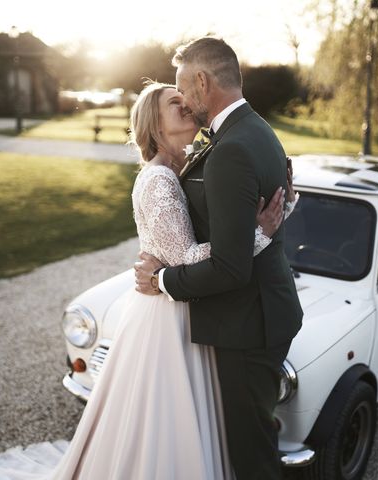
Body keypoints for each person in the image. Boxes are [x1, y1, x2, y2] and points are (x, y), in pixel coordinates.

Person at [0, 81, 296, 479]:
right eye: (174, 102)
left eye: (185, 97)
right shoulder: (159, 180)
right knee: (166, 424)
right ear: (154, 125)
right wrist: (258, 232)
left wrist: (280, 206)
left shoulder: (186, 168)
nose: (186, 103)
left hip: (188, 307)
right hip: (167, 317)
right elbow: (188, 259)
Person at [135, 37, 303, 479]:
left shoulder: (230, 147)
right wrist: (273, 220)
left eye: (183, 89)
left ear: (203, 81)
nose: (187, 104)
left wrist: (162, 281)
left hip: (248, 323)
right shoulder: (257, 130)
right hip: (257, 314)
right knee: (247, 440)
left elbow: (230, 265)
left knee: (251, 456)